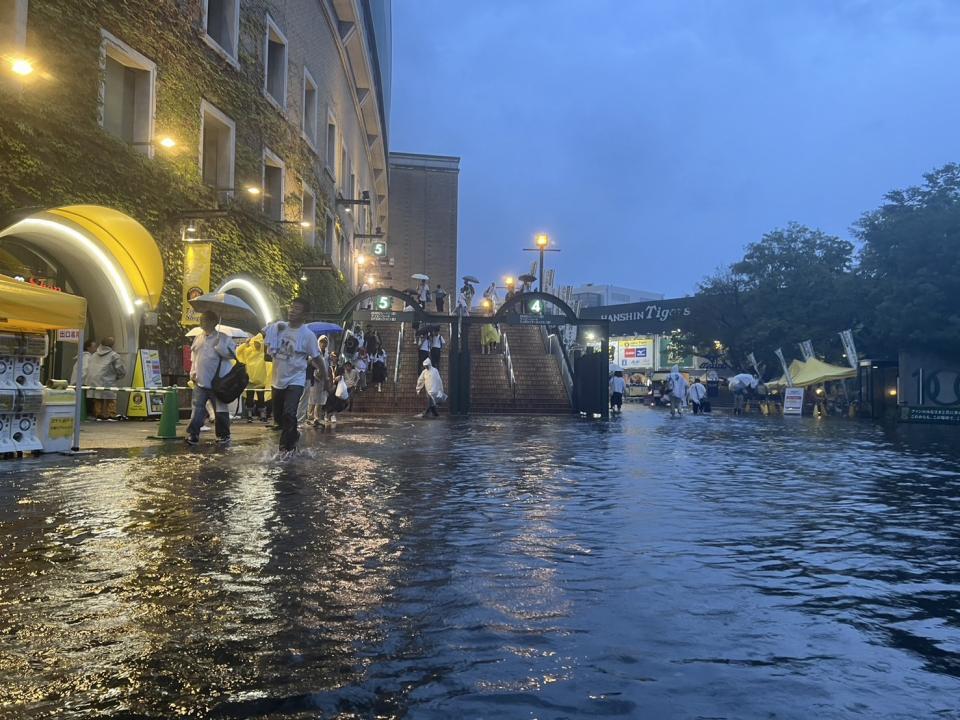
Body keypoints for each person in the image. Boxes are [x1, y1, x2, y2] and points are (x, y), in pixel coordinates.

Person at [264, 297, 324, 453]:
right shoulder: (279, 328)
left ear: (304, 314)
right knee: (279, 418)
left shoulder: (308, 335)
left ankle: (285, 450)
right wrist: (272, 327)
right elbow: (265, 338)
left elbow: (317, 358)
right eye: (291, 307)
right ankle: (294, 434)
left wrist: (326, 377)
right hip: (278, 379)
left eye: (297, 308)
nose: (292, 310)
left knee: (289, 413)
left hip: (296, 379)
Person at [185, 311, 236, 445]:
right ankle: (193, 434)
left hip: (218, 382)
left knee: (220, 410)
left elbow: (232, 355)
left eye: (205, 320)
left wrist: (221, 347)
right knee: (197, 409)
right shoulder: (198, 338)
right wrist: (192, 371)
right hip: (200, 380)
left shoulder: (223, 337)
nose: (202, 322)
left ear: (214, 322)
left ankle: (223, 435)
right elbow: (194, 357)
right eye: (201, 320)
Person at [87, 337, 125, 421]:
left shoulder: (94, 355)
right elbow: (120, 370)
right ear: (112, 345)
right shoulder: (114, 355)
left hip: (93, 380)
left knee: (97, 397)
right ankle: (111, 414)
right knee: (111, 396)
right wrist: (118, 376)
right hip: (107, 380)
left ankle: (98, 414)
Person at [236, 333, 271, 423]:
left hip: (260, 380)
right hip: (250, 379)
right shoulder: (248, 351)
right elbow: (238, 352)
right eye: (256, 342)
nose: (257, 344)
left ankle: (263, 415)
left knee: (261, 398)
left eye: (259, 343)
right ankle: (249, 415)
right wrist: (245, 344)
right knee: (249, 398)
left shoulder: (262, 352)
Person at [71, 339, 98, 418]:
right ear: (88, 348)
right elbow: (84, 370)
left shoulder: (83, 356)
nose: (95, 348)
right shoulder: (86, 357)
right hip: (83, 383)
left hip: (80, 382)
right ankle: (86, 415)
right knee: (86, 400)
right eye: (94, 346)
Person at [307, 335, 331, 425]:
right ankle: (310, 416)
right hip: (314, 377)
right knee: (312, 397)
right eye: (321, 342)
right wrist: (317, 367)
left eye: (325, 342)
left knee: (321, 398)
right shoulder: (315, 352)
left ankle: (317, 418)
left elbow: (327, 366)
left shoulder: (327, 354)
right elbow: (310, 360)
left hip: (323, 377)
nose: (323, 344)